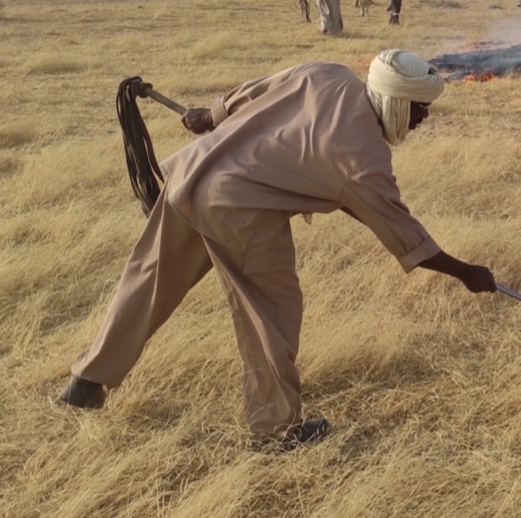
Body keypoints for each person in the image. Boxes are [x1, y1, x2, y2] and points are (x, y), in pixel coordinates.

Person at [56, 52, 495, 448]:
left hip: (191, 174)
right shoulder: (363, 155)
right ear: (399, 100)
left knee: (149, 281)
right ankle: (275, 429)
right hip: (239, 209)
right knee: (271, 312)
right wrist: (466, 273)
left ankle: (87, 379)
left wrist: (209, 117)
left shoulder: (327, 74)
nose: (424, 119)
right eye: (422, 109)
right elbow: (401, 230)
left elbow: (253, 93)